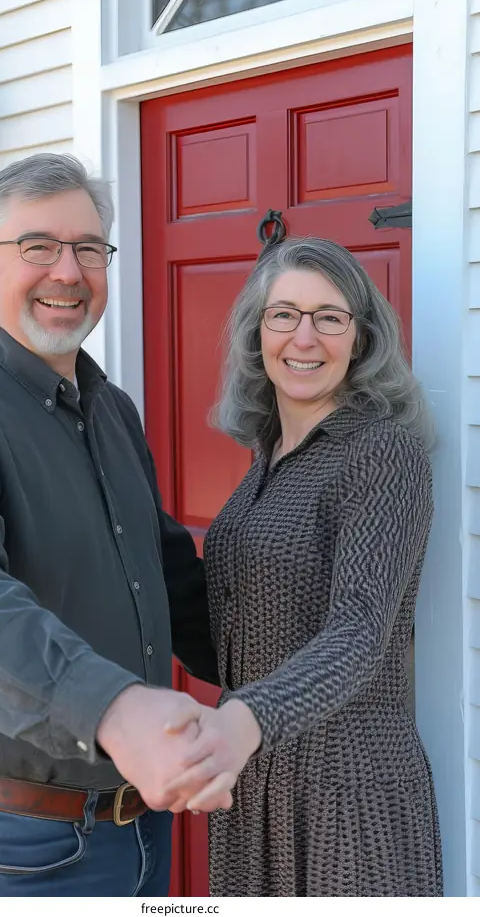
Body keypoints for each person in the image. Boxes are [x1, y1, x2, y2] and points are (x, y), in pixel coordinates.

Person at [0, 152, 227, 897]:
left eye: (89, 248)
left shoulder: (110, 410)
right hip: (2, 848)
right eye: (37, 246)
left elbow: (167, 578)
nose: (68, 271)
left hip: (136, 830)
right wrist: (113, 707)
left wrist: (286, 675)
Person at [164, 236, 442, 896]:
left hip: (348, 787)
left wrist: (240, 720)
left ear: (361, 337)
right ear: (257, 334)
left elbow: (359, 633)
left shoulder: (381, 454)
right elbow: (238, 628)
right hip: (255, 778)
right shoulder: (269, 455)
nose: (304, 337)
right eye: (284, 314)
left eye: (329, 316)